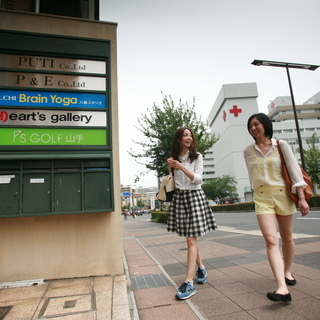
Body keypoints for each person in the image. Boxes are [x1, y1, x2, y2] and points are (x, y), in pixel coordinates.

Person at [243, 113, 309, 302]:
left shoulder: (281, 146)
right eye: (250, 126)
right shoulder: (247, 151)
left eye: (256, 124)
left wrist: (302, 198)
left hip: (283, 195)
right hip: (262, 197)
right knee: (271, 240)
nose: (253, 128)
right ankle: (282, 288)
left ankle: (287, 271)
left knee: (287, 236)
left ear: (265, 125)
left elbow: (295, 173)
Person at [167, 127, 217, 300]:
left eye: (190, 135)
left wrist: (181, 167)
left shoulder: (197, 156)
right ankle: (201, 268)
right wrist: (170, 167)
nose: (188, 138)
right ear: (179, 139)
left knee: (190, 240)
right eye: (185, 135)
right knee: (191, 239)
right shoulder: (174, 158)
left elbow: (198, 178)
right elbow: (171, 180)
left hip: (195, 196)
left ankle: (189, 282)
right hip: (180, 198)